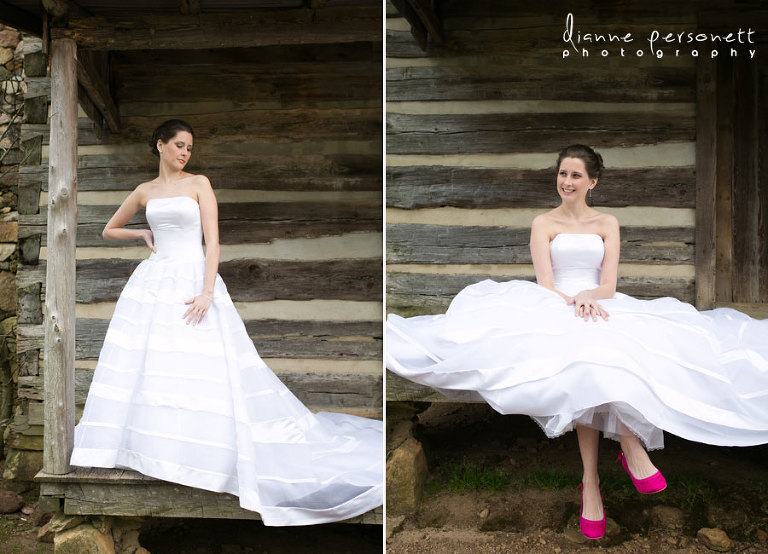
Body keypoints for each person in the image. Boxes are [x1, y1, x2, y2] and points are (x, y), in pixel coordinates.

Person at [385, 144, 768, 540]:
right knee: (585, 357)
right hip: (555, 306)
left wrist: (590, 297)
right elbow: (545, 285)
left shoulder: (607, 222)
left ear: (592, 182)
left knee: (605, 352)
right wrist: (572, 301)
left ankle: (602, 471)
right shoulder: (543, 223)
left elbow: (609, 284)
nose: (567, 182)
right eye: (562, 173)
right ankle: (615, 458)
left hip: (600, 303)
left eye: (576, 176)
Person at [71, 119, 383, 526]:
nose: (185, 152)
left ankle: (207, 456)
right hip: (153, 282)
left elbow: (213, 241)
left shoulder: (199, 183)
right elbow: (108, 230)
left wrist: (206, 292)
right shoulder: (144, 191)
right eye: (179, 145)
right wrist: (142, 234)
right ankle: (162, 452)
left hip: (193, 279)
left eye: (190, 147)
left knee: (203, 364)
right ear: (160, 145)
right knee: (155, 365)